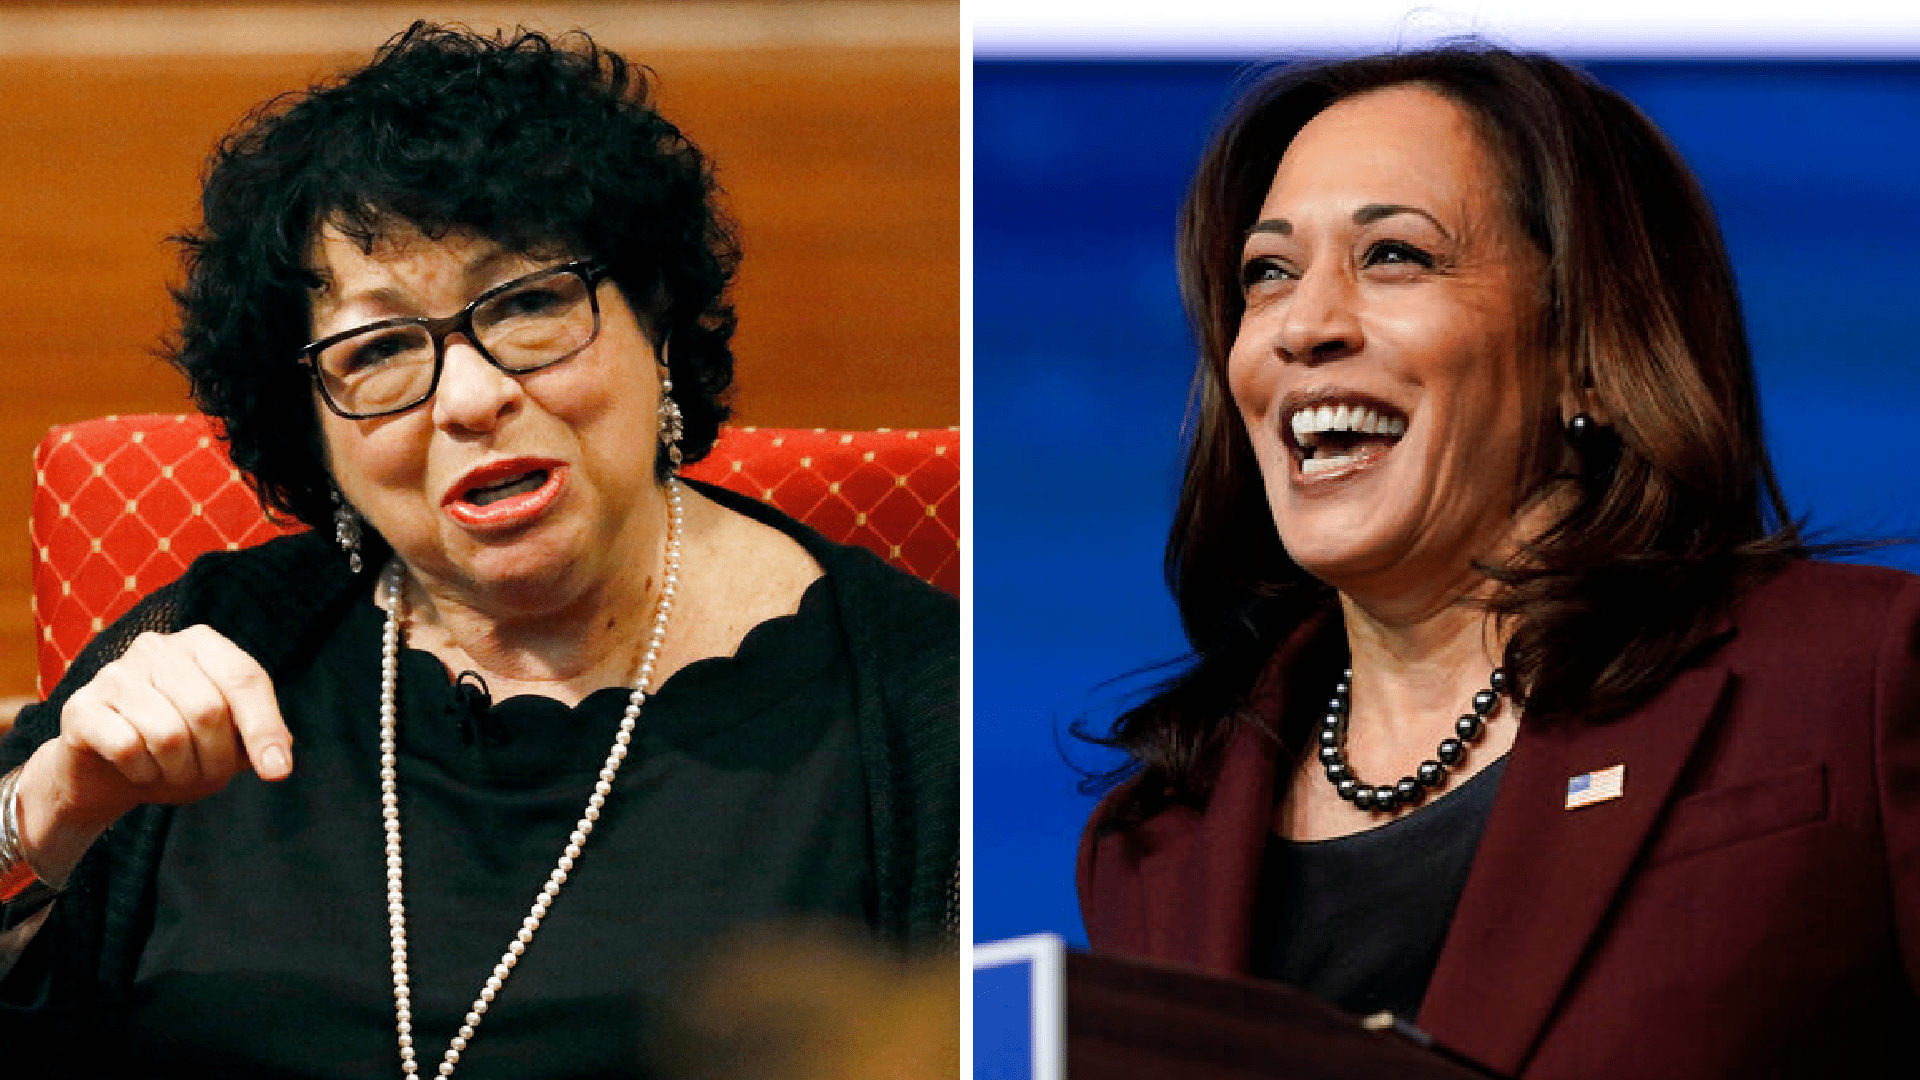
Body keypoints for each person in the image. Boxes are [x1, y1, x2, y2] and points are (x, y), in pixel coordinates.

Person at [0, 23, 957, 1077]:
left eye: (532, 303)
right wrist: (49, 814)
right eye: (376, 351)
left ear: (656, 323)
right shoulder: (220, 643)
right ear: (314, 431)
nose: (471, 396)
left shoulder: (920, 708)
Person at [1076, 45, 1920, 1079]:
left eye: (1393, 256)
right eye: (1268, 273)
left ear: (1585, 347)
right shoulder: (1158, 839)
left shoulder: (1859, 673)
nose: (1304, 326)